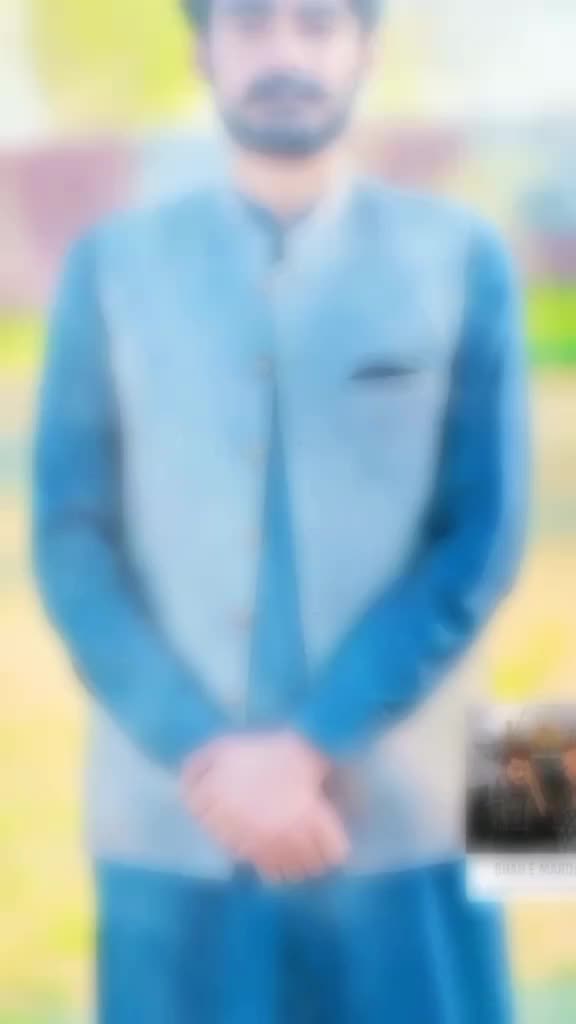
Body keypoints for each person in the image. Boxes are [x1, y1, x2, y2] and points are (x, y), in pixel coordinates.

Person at [32, 0, 530, 1020]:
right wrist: (205, 754)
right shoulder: (110, 267)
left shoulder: (465, 256)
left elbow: (486, 536)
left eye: (317, 24)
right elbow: (70, 538)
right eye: (252, 23)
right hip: (173, 822)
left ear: (366, 49)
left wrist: (310, 743)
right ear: (203, 51)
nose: (284, 53)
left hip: (424, 811)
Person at [467, 742, 556, 851]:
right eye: (516, 768)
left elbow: (549, 830)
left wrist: (535, 789)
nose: (521, 774)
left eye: (526, 769)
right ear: (504, 769)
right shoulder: (482, 796)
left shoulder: (538, 794)